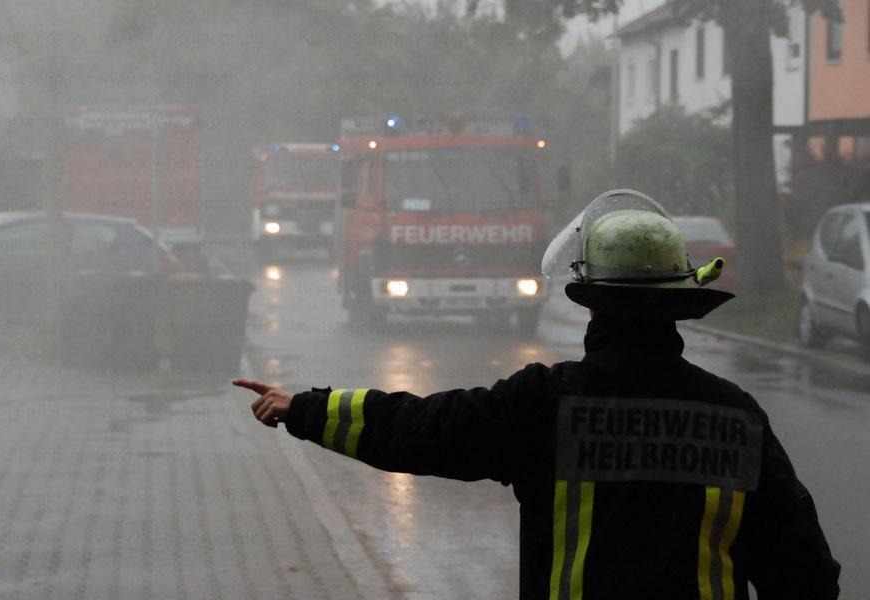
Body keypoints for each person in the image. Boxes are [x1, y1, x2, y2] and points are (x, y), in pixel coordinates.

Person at [233, 189, 841, 599]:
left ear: (593, 302)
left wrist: (305, 408)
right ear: (681, 304)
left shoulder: (548, 403)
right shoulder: (735, 417)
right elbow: (805, 573)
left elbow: (422, 429)